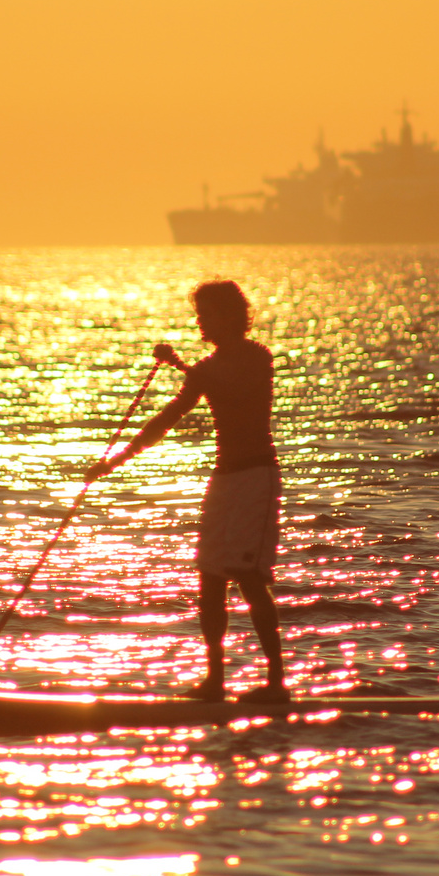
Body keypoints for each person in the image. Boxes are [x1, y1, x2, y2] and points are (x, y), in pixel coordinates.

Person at [87, 280, 288, 704]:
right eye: (198, 314)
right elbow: (166, 419)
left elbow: (235, 392)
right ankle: (215, 681)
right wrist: (113, 463)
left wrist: (183, 367)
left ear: (230, 316)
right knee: (210, 578)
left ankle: (275, 686)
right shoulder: (207, 368)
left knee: (250, 579)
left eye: (206, 314)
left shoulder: (257, 358)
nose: (200, 321)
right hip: (225, 480)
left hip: (256, 478)